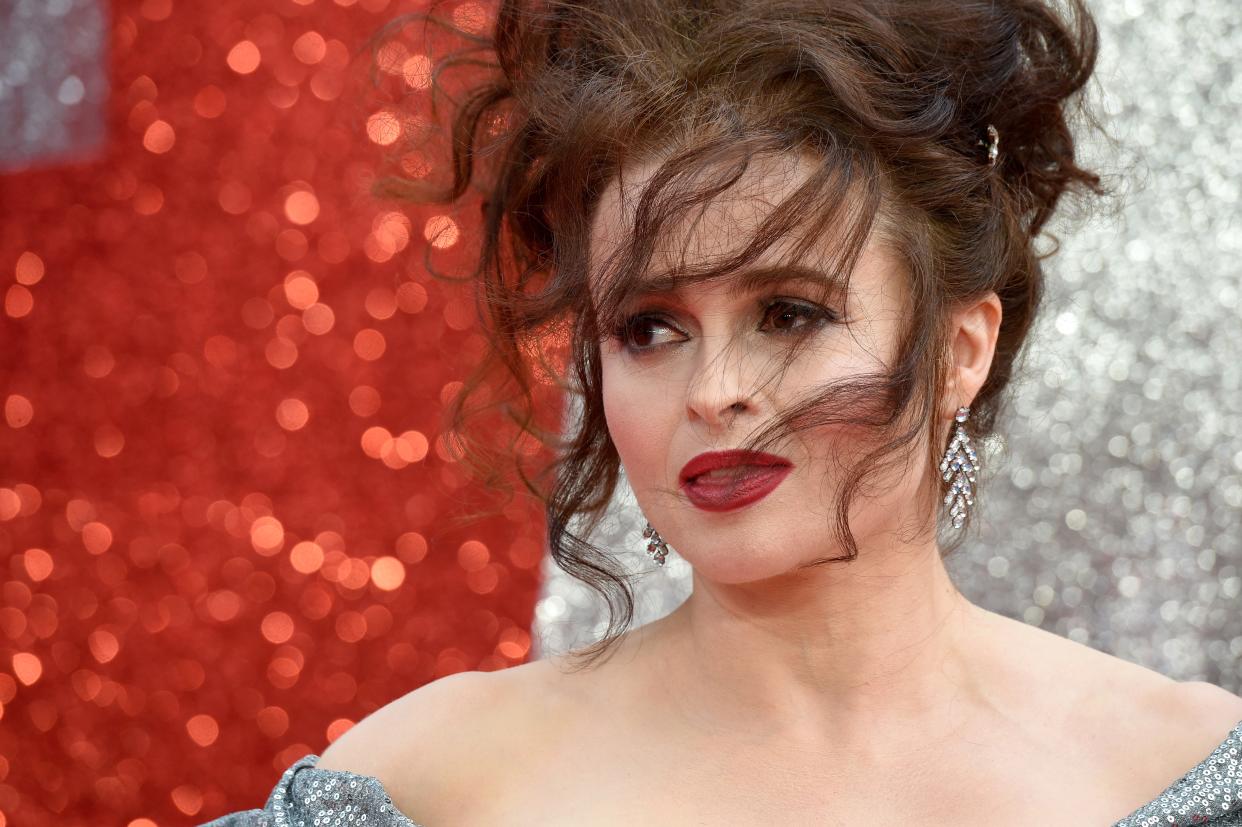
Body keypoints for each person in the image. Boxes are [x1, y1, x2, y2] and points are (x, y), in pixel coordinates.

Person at [202, 0, 1242, 824]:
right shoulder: (432, 785)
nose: (712, 391)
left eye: (789, 312)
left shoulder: (1178, 772)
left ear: (959, 351)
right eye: (650, 329)